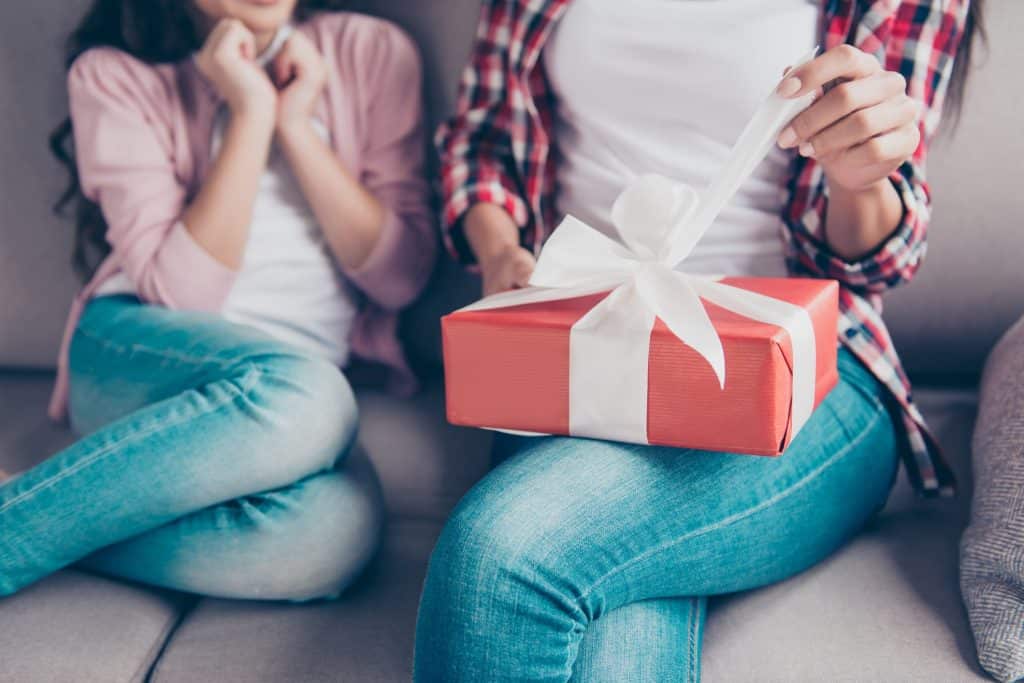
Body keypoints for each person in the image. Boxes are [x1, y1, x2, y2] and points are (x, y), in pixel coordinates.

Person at [415, 0, 982, 680]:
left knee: (502, 552)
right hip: (579, 358)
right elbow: (483, 141)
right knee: (609, 640)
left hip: (806, 371)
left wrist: (860, 178)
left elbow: (878, 259)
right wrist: (501, 252)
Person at [0, 0, 435, 601]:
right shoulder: (113, 74)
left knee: (331, 539)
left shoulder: (370, 50)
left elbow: (400, 278)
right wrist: (251, 111)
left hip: (284, 408)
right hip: (138, 351)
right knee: (309, 394)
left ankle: (49, 507)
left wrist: (296, 125)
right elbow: (181, 295)